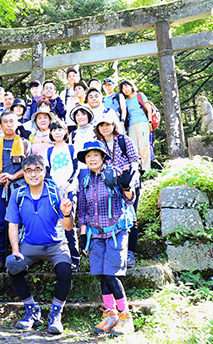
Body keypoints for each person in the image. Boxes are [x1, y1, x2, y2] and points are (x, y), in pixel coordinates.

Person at [5, 154, 74, 335]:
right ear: (24, 173)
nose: (33, 174)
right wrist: (15, 251)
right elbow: (13, 224)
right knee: (13, 265)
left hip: (56, 244)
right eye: (28, 170)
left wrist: (67, 214)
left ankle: (55, 313)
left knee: (66, 271)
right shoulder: (18, 194)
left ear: (44, 171)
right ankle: (32, 310)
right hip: (29, 244)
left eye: (38, 169)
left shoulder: (55, 192)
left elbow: (68, 226)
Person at [76, 141, 136, 336]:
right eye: (88, 156)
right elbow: (83, 210)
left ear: (103, 157)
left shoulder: (114, 173)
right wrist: (83, 236)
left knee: (111, 274)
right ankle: (110, 315)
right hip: (95, 234)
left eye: (95, 155)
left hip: (116, 232)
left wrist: (126, 186)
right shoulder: (85, 179)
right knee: (102, 274)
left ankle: (125, 316)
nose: (92, 159)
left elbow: (129, 198)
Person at [0, 111, 31, 271]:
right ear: (1, 124)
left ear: (17, 123)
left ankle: (20, 256)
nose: (9, 124)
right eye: (6, 122)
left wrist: (12, 176)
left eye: (12, 121)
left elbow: (29, 166)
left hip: (19, 187)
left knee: (19, 221)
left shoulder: (24, 143)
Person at [94, 111, 141, 268]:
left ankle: (131, 252)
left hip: (128, 183)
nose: (104, 127)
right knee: (115, 218)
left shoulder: (123, 140)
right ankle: (117, 251)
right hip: (110, 186)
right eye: (101, 125)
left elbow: (134, 160)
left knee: (131, 217)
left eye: (107, 124)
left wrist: (130, 178)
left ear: (113, 125)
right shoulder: (98, 144)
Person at [46, 122, 80, 271]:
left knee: (69, 224)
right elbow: (47, 171)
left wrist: (68, 183)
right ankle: (59, 259)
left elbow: (76, 168)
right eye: (54, 130)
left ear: (65, 131)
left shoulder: (71, 148)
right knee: (55, 224)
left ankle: (75, 260)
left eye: (60, 129)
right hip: (54, 191)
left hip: (69, 189)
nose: (57, 132)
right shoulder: (48, 151)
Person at [118, 80, 153, 171]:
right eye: (123, 88)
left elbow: (149, 110)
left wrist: (150, 122)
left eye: (126, 86)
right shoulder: (126, 101)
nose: (125, 89)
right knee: (134, 148)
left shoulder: (140, 96)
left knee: (144, 146)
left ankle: (146, 169)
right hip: (131, 125)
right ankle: (137, 169)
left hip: (142, 122)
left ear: (131, 86)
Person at [69, 104, 96, 180]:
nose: (80, 117)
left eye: (83, 114)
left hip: (95, 167)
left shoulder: (95, 131)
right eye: (77, 115)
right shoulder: (73, 134)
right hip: (79, 170)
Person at [60, 66, 81, 130]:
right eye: (69, 76)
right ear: (67, 79)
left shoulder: (83, 91)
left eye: (74, 75)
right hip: (69, 123)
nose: (72, 78)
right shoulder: (64, 93)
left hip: (82, 122)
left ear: (78, 77)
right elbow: (62, 109)